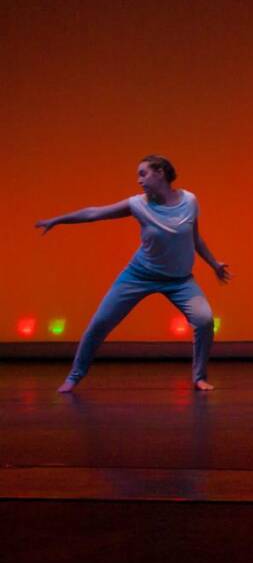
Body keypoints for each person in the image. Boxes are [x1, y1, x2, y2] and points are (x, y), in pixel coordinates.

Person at [35, 155, 231, 392]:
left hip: (180, 280)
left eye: (143, 173)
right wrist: (58, 220)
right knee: (100, 323)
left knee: (205, 320)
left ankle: (199, 377)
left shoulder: (190, 201)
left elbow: (194, 237)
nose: (139, 180)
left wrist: (214, 263)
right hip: (139, 275)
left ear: (160, 173)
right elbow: (93, 213)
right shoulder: (138, 204)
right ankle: (73, 377)